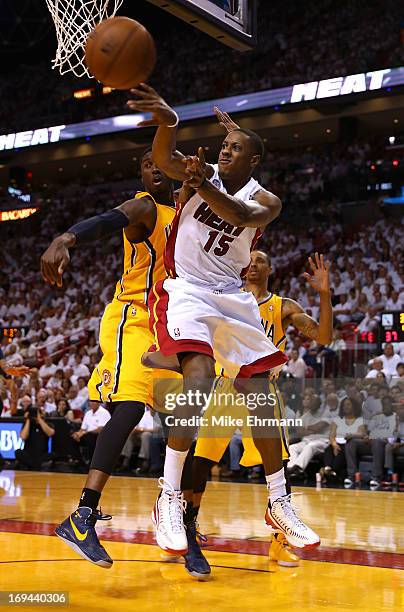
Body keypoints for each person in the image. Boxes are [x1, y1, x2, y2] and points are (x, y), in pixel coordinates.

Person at [130, 85, 319, 555]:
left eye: (236, 148)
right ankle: (168, 494)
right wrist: (167, 121)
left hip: (232, 299)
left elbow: (237, 212)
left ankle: (279, 500)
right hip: (189, 290)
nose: (225, 150)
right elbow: (164, 155)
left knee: (259, 391)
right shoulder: (200, 171)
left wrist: (203, 183)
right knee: (198, 373)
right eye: (225, 145)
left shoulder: (266, 201)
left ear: (253, 161)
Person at [41, 149, 178, 568]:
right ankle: (82, 516)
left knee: (186, 418)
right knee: (131, 407)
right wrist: (66, 238)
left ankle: (178, 514)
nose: (154, 168)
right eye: (146, 164)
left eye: (162, 161)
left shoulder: (189, 210)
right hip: (134, 318)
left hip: (170, 324)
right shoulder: (144, 207)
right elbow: (105, 221)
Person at [183, 248, 332, 576]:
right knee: (200, 463)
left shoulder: (282, 307)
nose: (252, 263)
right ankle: (186, 532)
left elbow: (324, 336)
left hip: (263, 389)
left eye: (260, 259)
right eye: (248, 259)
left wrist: (324, 295)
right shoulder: (225, 299)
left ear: (270, 268)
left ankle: (280, 542)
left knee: (276, 463)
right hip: (225, 386)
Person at [321, 397, 366, 483]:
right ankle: (329, 470)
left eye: (348, 404)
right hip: (337, 444)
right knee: (328, 449)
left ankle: (329, 471)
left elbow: (361, 434)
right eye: (344, 405)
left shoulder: (360, 420)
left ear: (354, 406)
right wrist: (334, 445)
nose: (346, 407)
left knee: (343, 450)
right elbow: (331, 436)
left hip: (350, 444)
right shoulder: (337, 420)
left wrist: (351, 435)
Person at [16, 405, 55, 470]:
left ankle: (33, 466)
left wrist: (39, 419)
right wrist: (28, 419)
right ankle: (36, 466)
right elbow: (23, 437)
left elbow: (50, 433)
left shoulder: (48, 424)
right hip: (29, 455)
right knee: (18, 452)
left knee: (53, 455)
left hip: (42, 455)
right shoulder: (27, 425)